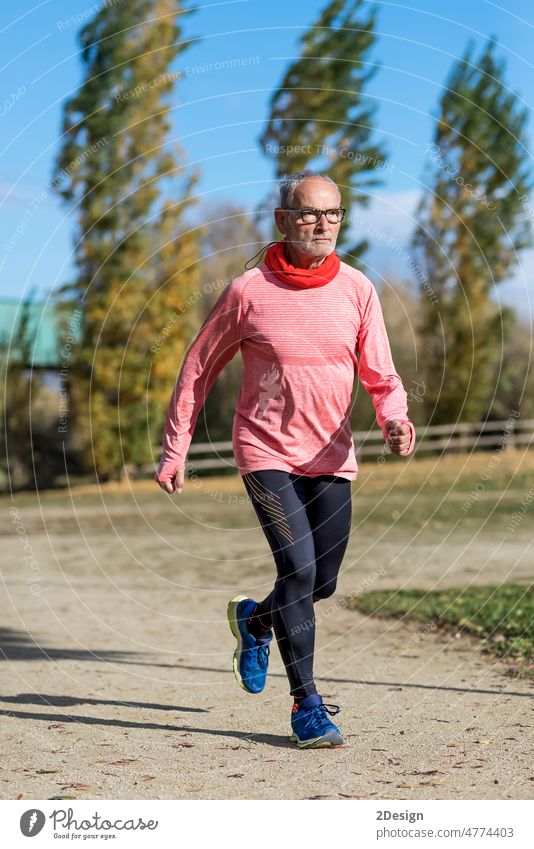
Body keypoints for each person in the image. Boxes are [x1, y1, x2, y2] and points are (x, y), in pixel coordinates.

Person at [155, 170, 416, 749]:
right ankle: (307, 706)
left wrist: (394, 416)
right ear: (282, 220)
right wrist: (176, 448)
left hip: (332, 453)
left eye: (333, 214)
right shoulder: (248, 291)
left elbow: (380, 373)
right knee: (297, 570)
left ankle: (256, 621)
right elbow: (197, 369)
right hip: (265, 448)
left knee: (321, 581)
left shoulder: (357, 289)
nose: (322, 225)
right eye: (309, 213)